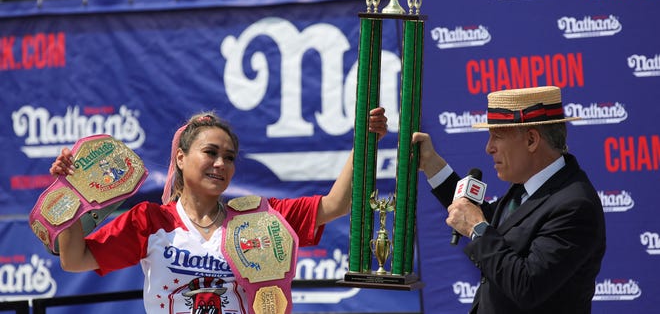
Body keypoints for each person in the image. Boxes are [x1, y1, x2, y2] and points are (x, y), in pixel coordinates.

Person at [49, 107, 388, 314]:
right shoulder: (150, 221)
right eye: (210, 152)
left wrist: (364, 140)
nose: (220, 163)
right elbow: (74, 259)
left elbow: (336, 205)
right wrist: (70, 194)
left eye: (228, 157)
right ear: (180, 158)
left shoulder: (259, 219)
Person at [413, 86, 606, 314]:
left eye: (497, 136)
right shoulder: (529, 188)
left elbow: (528, 286)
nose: (488, 148)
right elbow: (488, 220)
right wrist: (431, 164)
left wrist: (477, 229)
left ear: (532, 140)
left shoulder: (574, 205)